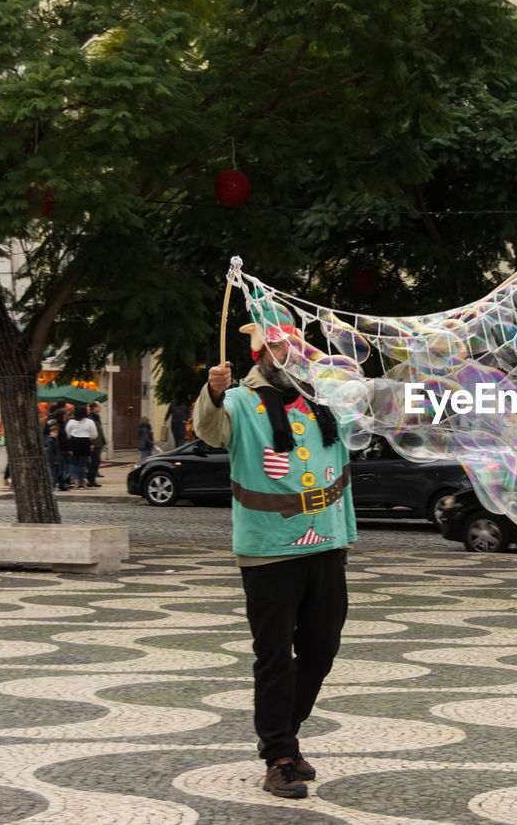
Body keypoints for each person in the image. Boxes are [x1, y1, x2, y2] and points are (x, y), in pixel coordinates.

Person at [193, 309, 355, 800]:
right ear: (261, 353)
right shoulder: (239, 402)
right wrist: (214, 391)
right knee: (274, 657)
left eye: (297, 346)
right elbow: (209, 430)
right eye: (282, 346)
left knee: (322, 647)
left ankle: (284, 730)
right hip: (268, 548)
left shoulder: (322, 401)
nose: (293, 355)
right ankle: (280, 756)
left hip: (326, 542)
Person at [62, 405, 97, 490]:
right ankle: (81, 482)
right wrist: (89, 437)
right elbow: (94, 435)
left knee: (72, 463)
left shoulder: (71, 422)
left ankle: (73, 480)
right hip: (85, 443)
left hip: (73, 443)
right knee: (82, 463)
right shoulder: (90, 422)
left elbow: (67, 433)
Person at [85, 401, 106, 487]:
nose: (100, 408)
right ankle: (90, 478)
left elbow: (100, 430)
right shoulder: (90, 418)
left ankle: (91, 479)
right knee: (95, 461)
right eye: (98, 407)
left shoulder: (97, 418)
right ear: (94, 408)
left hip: (99, 443)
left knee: (96, 462)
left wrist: (103, 441)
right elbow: (90, 432)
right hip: (94, 444)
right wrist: (91, 443)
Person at [44, 424, 63, 491]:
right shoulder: (50, 441)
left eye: (57, 432)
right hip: (52, 461)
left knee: (57, 474)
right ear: (50, 432)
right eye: (54, 432)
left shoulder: (55, 440)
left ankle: (55, 486)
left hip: (56, 460)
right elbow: (50, 452)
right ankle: (52, 487)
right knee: (53, 475)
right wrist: (53, 460)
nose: (56, 434)